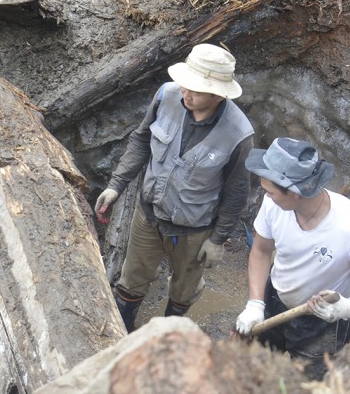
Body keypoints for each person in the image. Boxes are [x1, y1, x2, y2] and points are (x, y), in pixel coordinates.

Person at [95, 44, 255, 332]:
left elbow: (236, 192)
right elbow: (141, 140)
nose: (186, 93)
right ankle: (123, 335)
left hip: (194, 229)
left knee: (184, 290)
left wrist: (217, 240)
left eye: (197, 89)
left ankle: (168, 337)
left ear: (219, 95)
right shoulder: (166, 95)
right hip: (148, 215)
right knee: (131, 280)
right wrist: (116, 185)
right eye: (186, 84)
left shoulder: (238, 135)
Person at [234, 137, 350, 379]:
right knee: (257, 370)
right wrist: (256, 304)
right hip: (275, 299)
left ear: (296, 193)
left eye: (271, 192)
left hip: (323, 322)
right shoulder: (274, 205)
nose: (266, 197)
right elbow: (261, 250)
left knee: (310, 388)